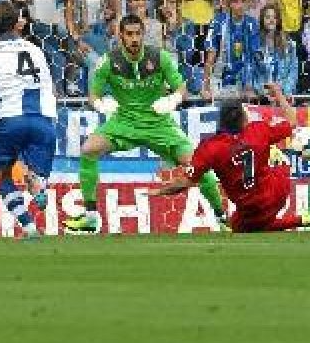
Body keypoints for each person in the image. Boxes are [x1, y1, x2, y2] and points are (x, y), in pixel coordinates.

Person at [63, 14, 227, 232]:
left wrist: (172, 100)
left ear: (143, 34)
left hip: (159, 124)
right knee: (89, 149)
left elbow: (181, 88)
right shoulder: (108, 62)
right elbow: (93, 95)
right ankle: (91, 216)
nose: (134, 39)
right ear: (120, 36)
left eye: (138, 34)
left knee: (197, 165)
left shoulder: (160, 57)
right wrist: (102, 106)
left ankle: (222, 217)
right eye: (129, 34)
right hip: (124, 122)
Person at [156, 85, 310, 233]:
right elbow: (292, 122)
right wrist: (278, 93)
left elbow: (186, 182)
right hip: (278, 191)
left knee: (239, 227)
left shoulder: (210, 147)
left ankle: (295, 220)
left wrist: (159, 191)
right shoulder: (258, 130)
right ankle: (279, 160)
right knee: (273, 156)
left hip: (248, 208)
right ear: (243, 118)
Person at [0, 1, 58, 240]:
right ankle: (37, 181)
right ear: (16, 23)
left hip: (10, 121)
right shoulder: (36, 49)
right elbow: (51, 88)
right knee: (33, 169)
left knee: (3, 176)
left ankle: (29, 227)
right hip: (44, 121)